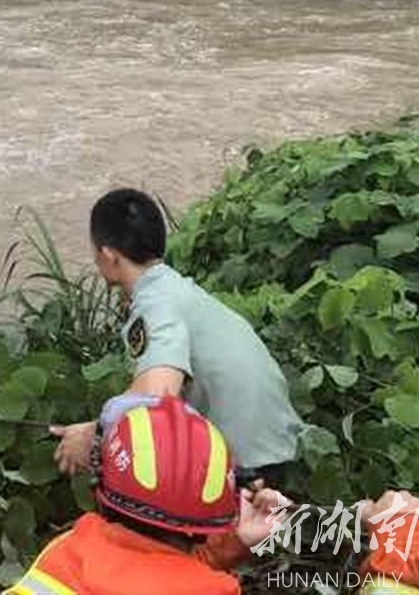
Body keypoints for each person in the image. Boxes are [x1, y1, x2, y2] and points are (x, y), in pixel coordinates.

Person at [50, 188, 302, 484]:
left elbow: (159, 394)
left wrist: (93, 433)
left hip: (247, 468)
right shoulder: (177, 289)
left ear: (108, 255)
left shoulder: (156, 303)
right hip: (275, 448)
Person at [5, 394, 289, 595]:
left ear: (102, 484)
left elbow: (144, 568)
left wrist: (233, 543)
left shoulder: (68, 553)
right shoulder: (214, 590)